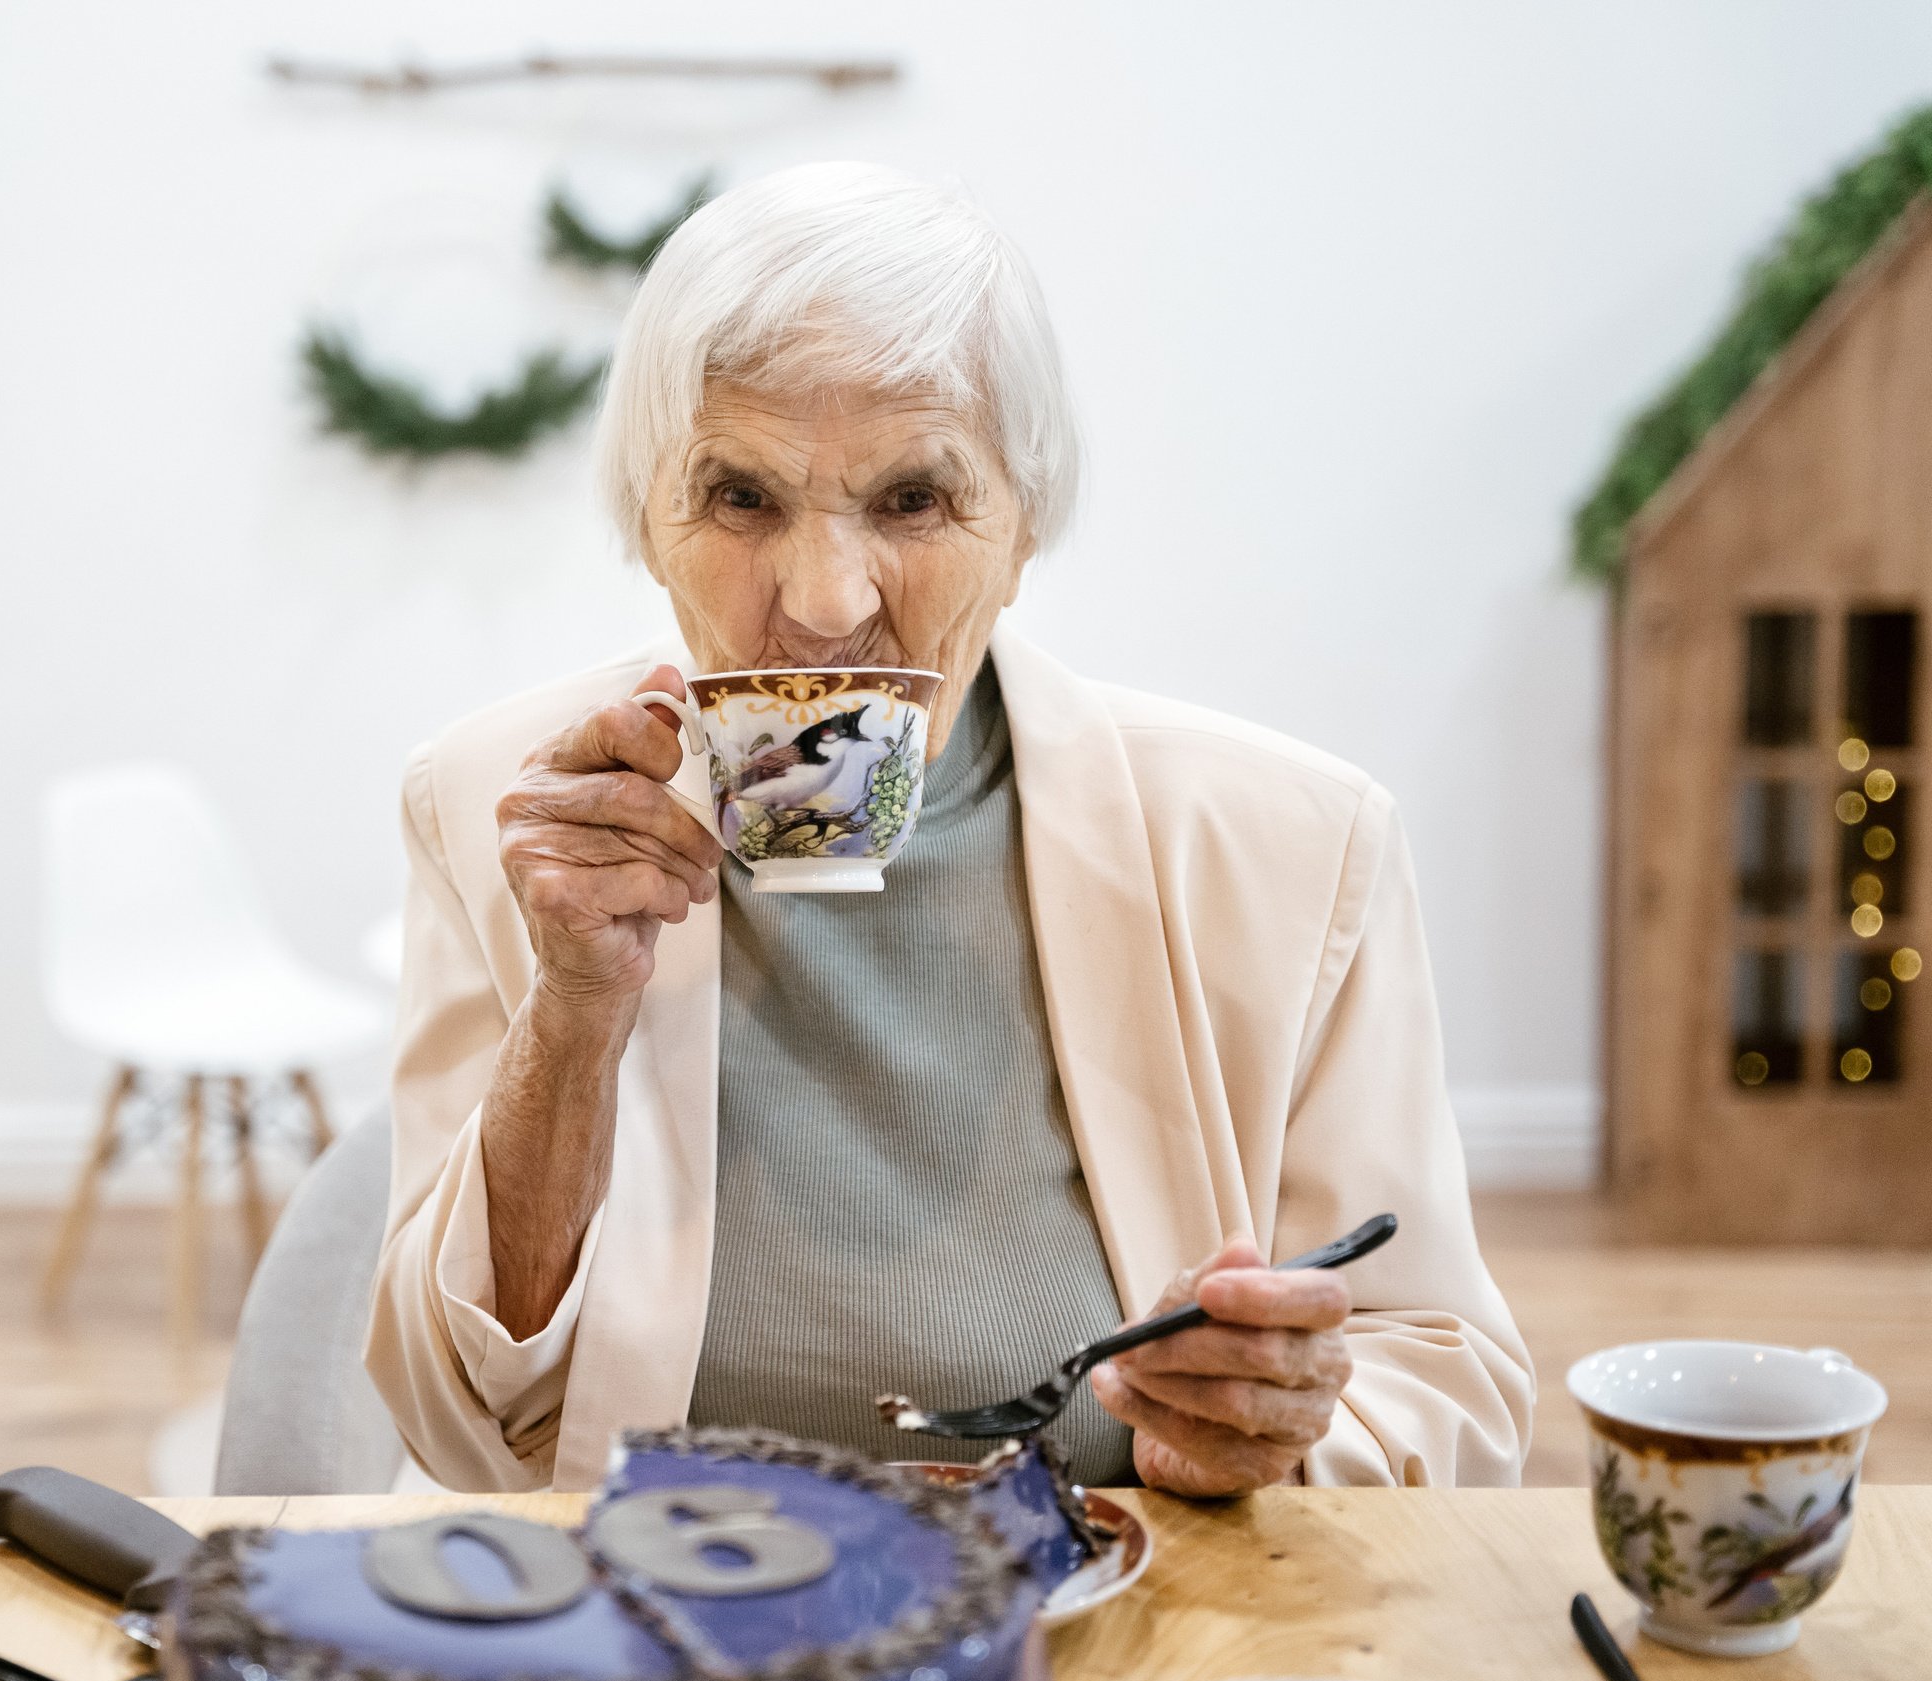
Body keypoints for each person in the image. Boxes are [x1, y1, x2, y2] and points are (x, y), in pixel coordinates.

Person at [365, 162, 1534, 1495]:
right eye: (741, 498)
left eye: (914, 500)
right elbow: (452, 1416)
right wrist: (570, 1018)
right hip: (662, 1628)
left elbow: (1445, 1376)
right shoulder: (498, 807)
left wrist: (1284, 1431)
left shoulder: (1293, 847)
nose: (822, 598)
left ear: (1024, 525)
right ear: (646, 518)